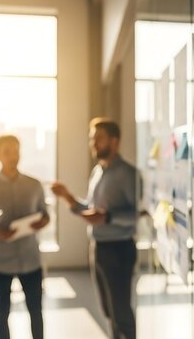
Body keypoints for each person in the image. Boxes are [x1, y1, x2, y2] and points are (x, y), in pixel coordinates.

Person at [51, 118, 139, 339]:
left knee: (121, 313)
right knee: (109, 311)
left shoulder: (129, 174)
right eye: (92, 139)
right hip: (98, 248)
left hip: (119, 250)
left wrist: (107, 217)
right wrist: (67, 196)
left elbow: (135, 214)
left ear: (114, 141)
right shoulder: (98, 172)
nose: (93, 143)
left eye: (98, 138)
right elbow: (91, 209)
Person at [0, 134, 49, 339]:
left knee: (36, 312)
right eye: (7, 152)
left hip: (31, 259)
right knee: (1, 313)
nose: (13, 156)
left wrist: (42, 221)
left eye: (16, 150)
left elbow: (45, 214)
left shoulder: (34, 185)